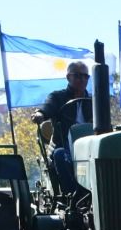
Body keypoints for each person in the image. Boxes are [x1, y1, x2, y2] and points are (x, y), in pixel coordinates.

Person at [32, 61, 92, 196]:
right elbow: (48, 107)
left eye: (85, 76)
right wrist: (40, 114)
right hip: (64, 146)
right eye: (77, 76)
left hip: (88, 148)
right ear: (68, 77)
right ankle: (72, 196)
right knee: (60, 155)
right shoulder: (57, 97)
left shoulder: (93, 102)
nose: (82, 79)